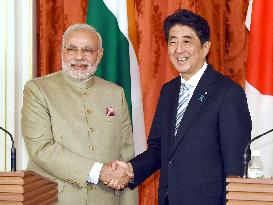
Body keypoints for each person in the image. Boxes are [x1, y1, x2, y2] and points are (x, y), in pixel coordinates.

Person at [108, 9, 252, 205]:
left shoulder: (228, 93)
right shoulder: (168, 91)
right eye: (172, 41)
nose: (178, 49)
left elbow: (236, 164)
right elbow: (160, 148)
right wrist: (132, 169)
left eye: (187, 41)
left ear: (205, 47)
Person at [21, 24, 137, 205]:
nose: (79, 57)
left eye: (88, 50)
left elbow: (126, 157)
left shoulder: (115, 93)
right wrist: (99, 171)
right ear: (62, 51)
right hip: (55, 198)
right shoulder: (38, 90)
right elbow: (41, 149)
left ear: (99, 54)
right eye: (72, 49)